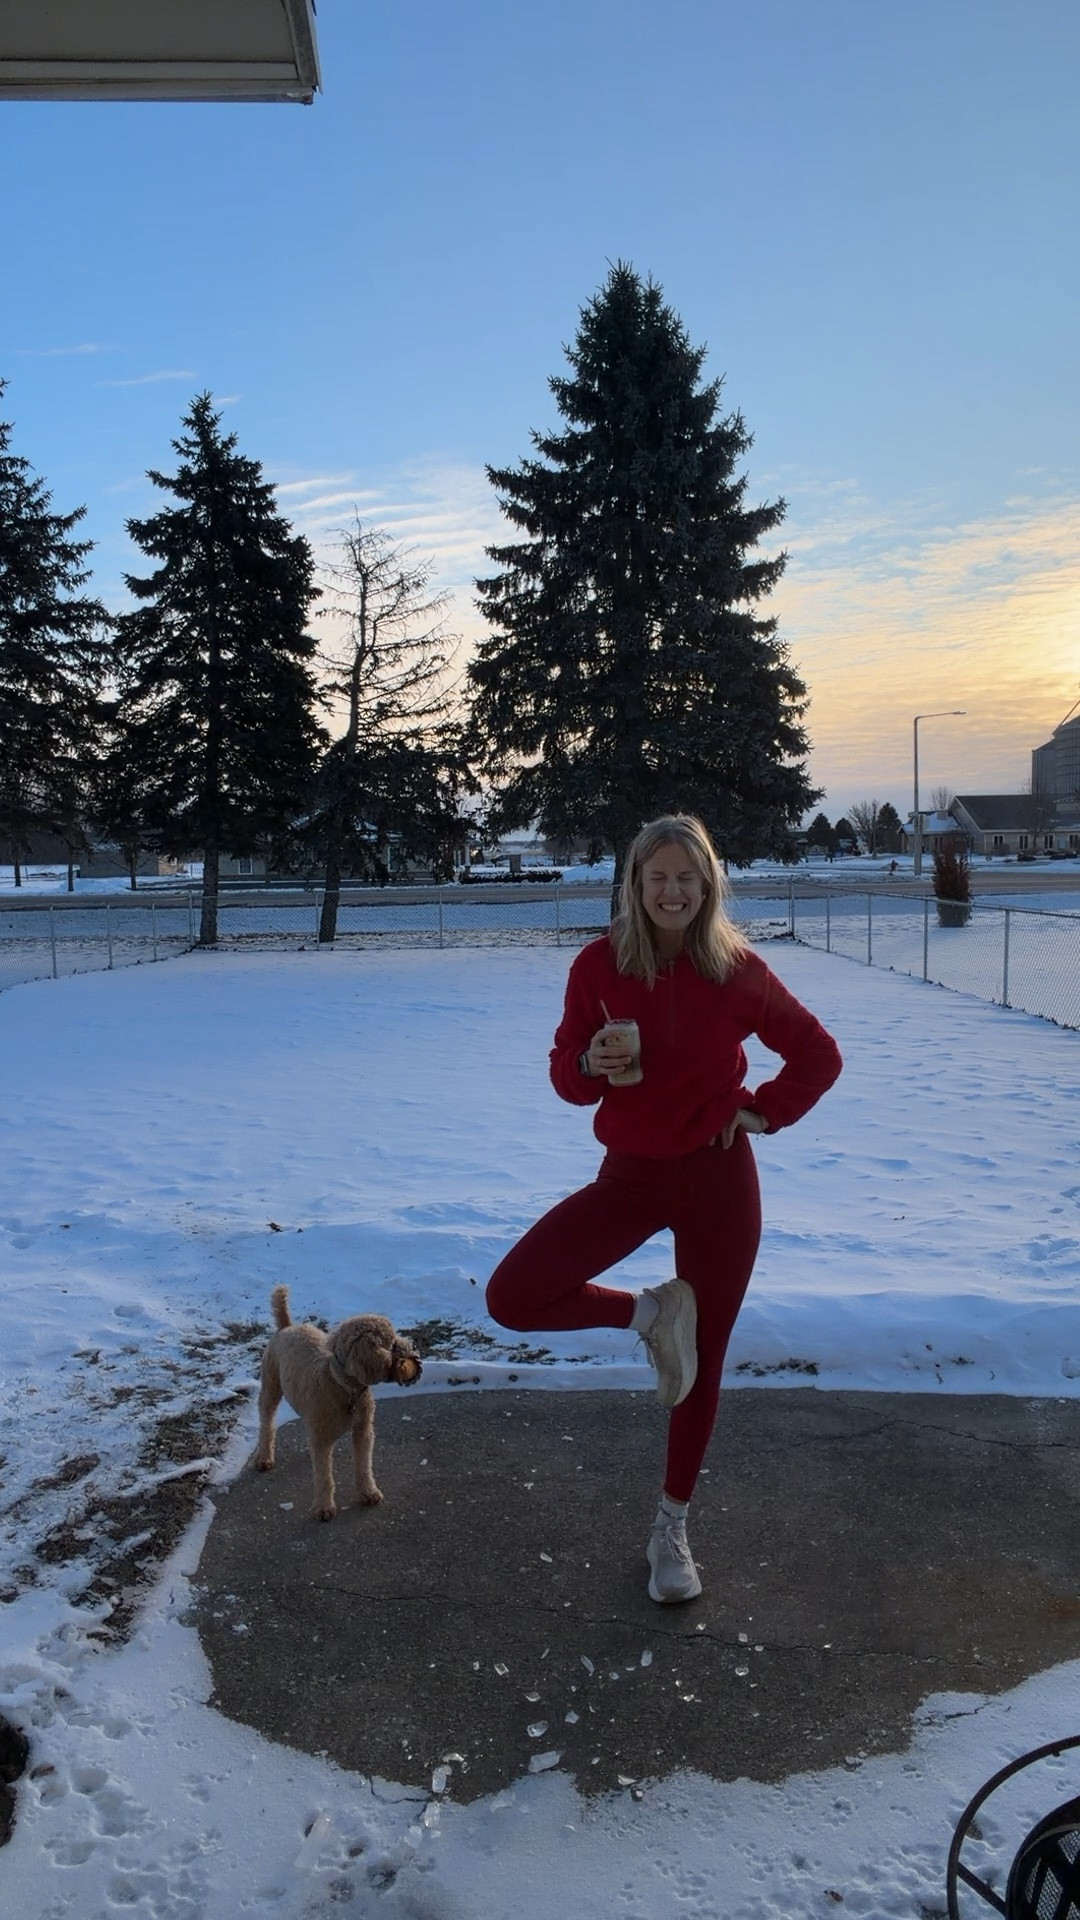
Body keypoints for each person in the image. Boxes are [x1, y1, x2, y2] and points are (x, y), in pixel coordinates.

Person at [486, 815, 842, 1605]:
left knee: (703, 1359)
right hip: (632, 1176)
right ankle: (651, 1316)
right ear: (636, 885)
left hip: (719, 1179)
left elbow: (819, 1054)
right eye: (658, 878)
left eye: (687, 878)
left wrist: (760, 1110)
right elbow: (565, 1075)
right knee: (512, 1295)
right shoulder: (599, 966)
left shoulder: (738, 970)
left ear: (708, 885)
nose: (673, 892)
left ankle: (671, 1527)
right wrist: (588, 1061)